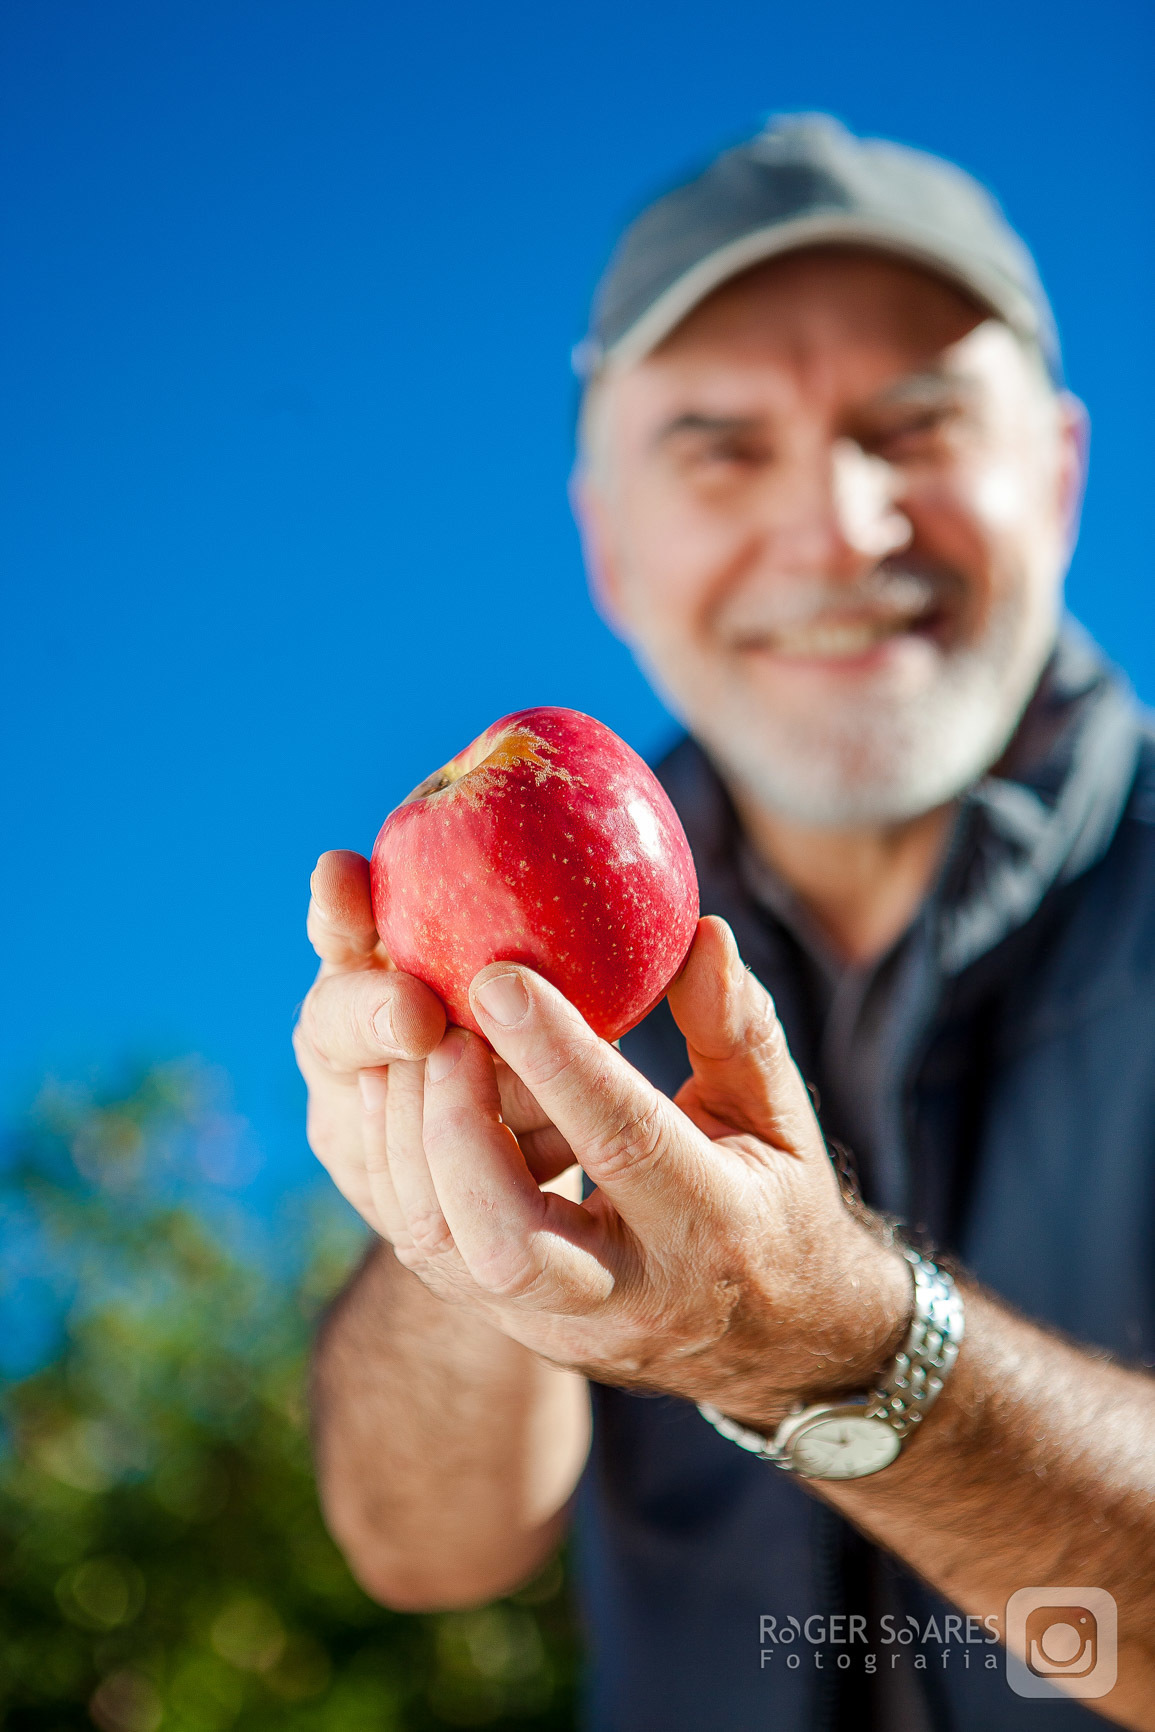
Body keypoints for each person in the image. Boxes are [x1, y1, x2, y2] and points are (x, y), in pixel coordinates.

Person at [295, 116, 1155, 1730]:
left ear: (1058, 473)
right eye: (720, 444)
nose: (836, 525)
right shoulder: (527, 962)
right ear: (609, 540)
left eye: (912, 423)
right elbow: (425, 1549)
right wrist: (458, 1238)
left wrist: (842, 1355)